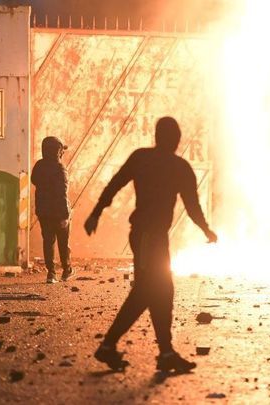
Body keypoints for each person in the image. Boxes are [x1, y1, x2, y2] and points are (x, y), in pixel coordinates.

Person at [85, 116, 217, 373]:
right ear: (177, 140)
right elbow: (192, 206)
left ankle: (165, 353)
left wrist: (96, 212)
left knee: (162, 291)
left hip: (149, 236)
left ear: (157, 136)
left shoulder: (141, 158)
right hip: (150, 236)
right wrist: (206, 229)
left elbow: (115, 184)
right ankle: (110, 345)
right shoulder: (180, 167)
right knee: (148, 290)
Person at [31, 136, 75, 284]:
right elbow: (62, 193)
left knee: (48, 241)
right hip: (59, 212)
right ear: (58, 151)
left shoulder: (39, 166)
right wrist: (65, 215)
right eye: (61, 150)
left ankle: (51, 273)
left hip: (43, 212)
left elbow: (34, 180)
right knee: (63, 241)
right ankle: (66, 270)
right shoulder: (60, 168)